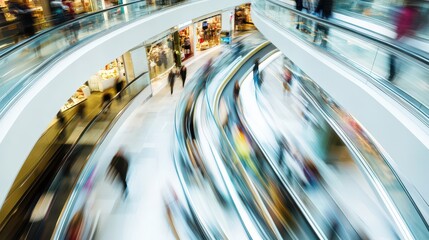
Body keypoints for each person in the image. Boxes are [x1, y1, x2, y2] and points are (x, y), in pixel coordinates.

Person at [388, 2, 419, 81]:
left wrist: (398, 33)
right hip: (407, 38)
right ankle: (395, 74)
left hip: (401, 38)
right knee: (398, 57)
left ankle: (392, 75)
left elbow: (401, 26)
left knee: (392, 55)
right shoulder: (414, 11)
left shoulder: (406, 11)